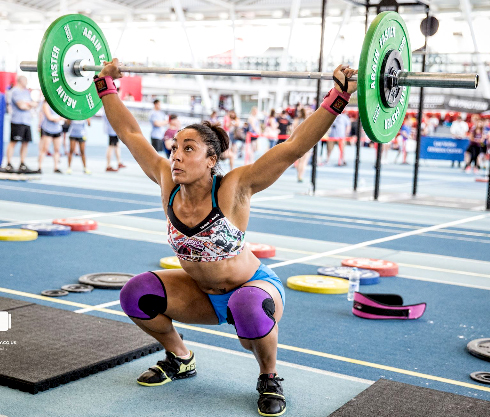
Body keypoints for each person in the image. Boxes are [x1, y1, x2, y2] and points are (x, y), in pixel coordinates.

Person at [96, 58, 357, 417]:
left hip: (252, 291)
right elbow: (131, 134)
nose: (176, 156)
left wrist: (338, 96)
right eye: (175, 148)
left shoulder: (235, 187)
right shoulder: (166, 182)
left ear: (211, 160)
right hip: (200, 294)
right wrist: (104, 84)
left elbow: (294, 147)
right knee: (135, 293)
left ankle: (269, 376)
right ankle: (180, 357)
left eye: (189, 149)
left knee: (247, 306)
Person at [1, 76, 37, 173]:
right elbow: (21, 106)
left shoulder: (26, 92)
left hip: (27, 121)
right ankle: (8, 163)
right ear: (21, 81)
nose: (27, 82)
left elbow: (34, 104)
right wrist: (29, 105)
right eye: (26, 80)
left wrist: (27, 104)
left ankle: (22, 163)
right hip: (17, 121)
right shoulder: (15, 91)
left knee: (25, 143)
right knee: (13, 142)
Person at [37, 101, 64, 174]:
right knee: (44, 149)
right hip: (48, 129)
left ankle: (56, 167)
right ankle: (39, 167)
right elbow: (49, 117)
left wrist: (57, 119)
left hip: (57, 129)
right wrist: (58, 118)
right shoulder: (46, 104)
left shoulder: (59, 104)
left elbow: (63, 117)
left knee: (57, 149)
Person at [292, 108, 308, 182]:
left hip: (298, 141)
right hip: (306, 141)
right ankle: (300, 175)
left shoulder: (296, 120)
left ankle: (299, 175)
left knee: (300, 160)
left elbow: (293, 131)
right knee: (303, 161)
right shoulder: (307, 120)